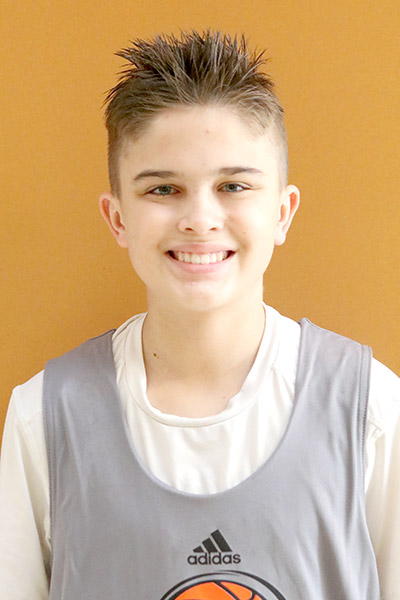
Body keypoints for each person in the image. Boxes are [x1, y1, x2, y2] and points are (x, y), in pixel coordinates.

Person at [0, 30, 399, 600]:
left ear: (282, 212)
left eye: (233, 185)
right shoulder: (43, 417)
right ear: (117, 218)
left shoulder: (371, 413)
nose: (200, 219)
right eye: (163, 189)